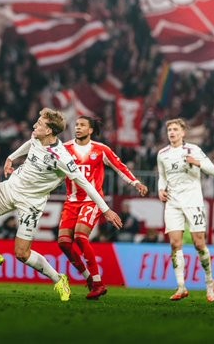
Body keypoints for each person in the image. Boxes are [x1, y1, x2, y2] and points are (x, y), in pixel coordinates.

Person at [0, 108, 123, 302]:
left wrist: (106, 210)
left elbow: (85, 184)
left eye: (39, 124)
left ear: (49, 130)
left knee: (22, 253)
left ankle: (58, 279)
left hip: (31, 203)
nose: (35, 126)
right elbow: (29, 143)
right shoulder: (37, 137)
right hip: (11, 188)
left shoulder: (62, 157)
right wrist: (11, 157)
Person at [59, 116, 148, 299]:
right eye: (76, 125)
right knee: (64, 243)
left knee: (80, 236)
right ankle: (89, 278)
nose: (78, 128)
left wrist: (135, 182)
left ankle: (98, 283)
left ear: (91, 130)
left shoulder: (101, 149)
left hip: (92, 200)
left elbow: (119, 167)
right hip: (71, 201)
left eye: (82, 125)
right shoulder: (64, 148)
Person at [156, 118, 214, 302]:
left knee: (199, 244)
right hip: (173, 203)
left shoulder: (194, 150)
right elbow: (162, 176)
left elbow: (213, 171)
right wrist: (161, 189)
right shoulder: (162, 154)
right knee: (175, 244)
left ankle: (209, 282)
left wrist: (197, 163)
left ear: (183, 133)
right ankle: (181, 286)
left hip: (193, 202)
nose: (172, 133)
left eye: (175, 129)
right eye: (170, 130)